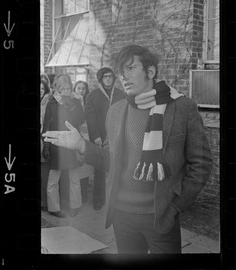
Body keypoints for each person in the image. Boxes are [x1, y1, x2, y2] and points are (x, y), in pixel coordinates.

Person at [43, 45, 213, 253]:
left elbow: (201, 163)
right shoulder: (116, 112)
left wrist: (176, 206)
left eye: (131, 68)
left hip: (161, 216)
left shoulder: (182, 108)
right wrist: (81, 145)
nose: (123, 76)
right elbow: (109, 160)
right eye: (121, 71)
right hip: (122, 216)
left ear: (150, 71)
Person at [42, 74, 85, 218]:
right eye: (63, 89)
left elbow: (80, 120)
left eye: (68, 88)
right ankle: (54, 208)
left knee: (74, 177)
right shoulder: (52, 103)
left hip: (72, 143)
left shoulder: (75, 102)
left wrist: (72, 105)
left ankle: (75, 205)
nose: (66, 91)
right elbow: (47, 124)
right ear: (58, 89)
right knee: (54, 178)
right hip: (56, 144)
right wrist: (46, 147)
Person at [84, 67, 124, 210]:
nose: (108, 79)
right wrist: (96, 137)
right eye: (105, 77)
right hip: (99, 138)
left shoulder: (120, 94)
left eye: (110, 77)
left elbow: (124, 114)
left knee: (117, 168)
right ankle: (99, 200)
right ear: (100, 79)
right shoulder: (93, 96)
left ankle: (117, 200)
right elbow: (90, 117)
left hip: (117, 137)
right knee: (100, 169)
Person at [40, 79, 51, 211]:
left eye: (42, 88)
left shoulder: (47, 104)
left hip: (43, 142)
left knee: (44, 175)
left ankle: (43, 202)